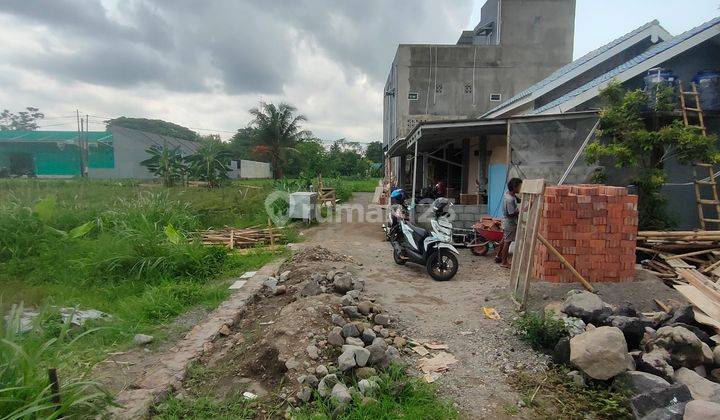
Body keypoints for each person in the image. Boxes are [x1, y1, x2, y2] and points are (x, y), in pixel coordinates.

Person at [497, 177, 522, 268]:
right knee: (507, 242)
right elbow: (511, 214)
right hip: (510, 223)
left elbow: (518, 200)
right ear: (514, 187)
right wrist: (523, 209)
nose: (521, 188)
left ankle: (498, 256)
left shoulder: (509, 194)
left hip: (507, 221)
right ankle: (504, 262)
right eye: (519, 187)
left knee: (504, 240)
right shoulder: (510, 199)